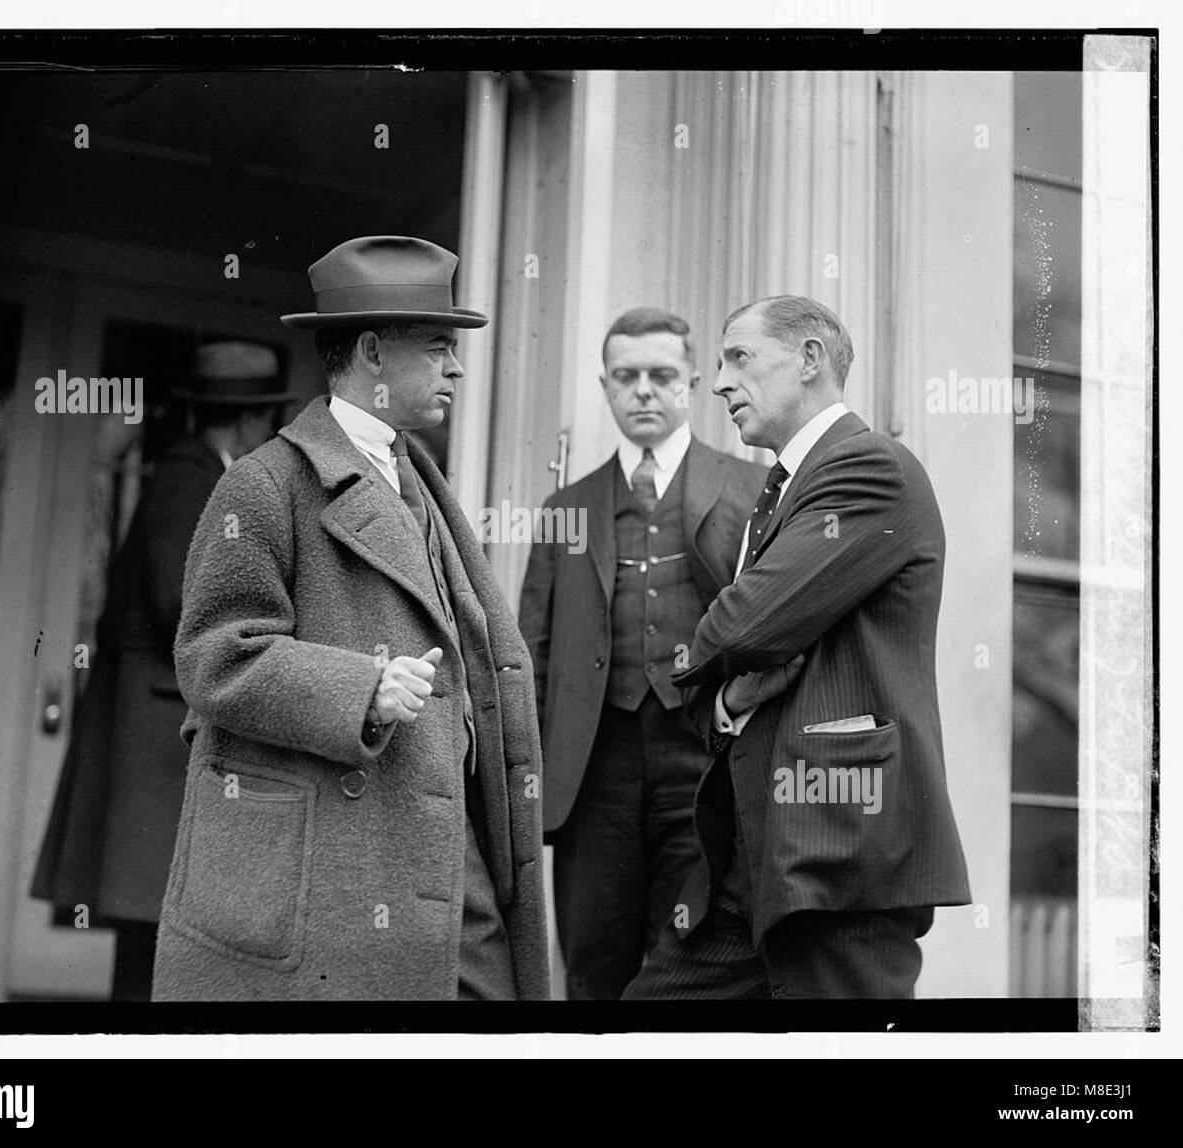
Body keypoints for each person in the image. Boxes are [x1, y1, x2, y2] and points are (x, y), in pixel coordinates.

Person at [151, 235, 549, 1001]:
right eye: (438, 347)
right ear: (371, 352)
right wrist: (359, 688)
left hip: (445, 861)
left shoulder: (418, 480)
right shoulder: (265, 487)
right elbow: (214, 655)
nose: (458, 367)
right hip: (337, 867)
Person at [625, 295, 971, 1000]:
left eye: (739, 358)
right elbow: (739, 644)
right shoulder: (782, 492)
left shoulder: (869, 468)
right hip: (753, 858)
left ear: (810, 358)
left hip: (840, 856)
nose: (718, 382)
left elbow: (744, 624)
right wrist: (725, 697)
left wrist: (713, 653)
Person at [31, 340, 294, 1001]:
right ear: (248, 421)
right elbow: (180, 600)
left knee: (155, 925)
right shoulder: (192, 477)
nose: (270, 435)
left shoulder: (197, 472)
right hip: (152, 723)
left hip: (150, 718)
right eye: (267, 421)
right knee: (149, 927)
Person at [518, 307, 766, 1000]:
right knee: (594, 957)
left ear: (691, 382)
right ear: (605, 386)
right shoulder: (566, 507)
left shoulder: (749, 489)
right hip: (595, 765)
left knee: (692, 953)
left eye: (661, 375)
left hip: (704, 758)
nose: (644, 391)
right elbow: (531, 654)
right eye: (626, 377)